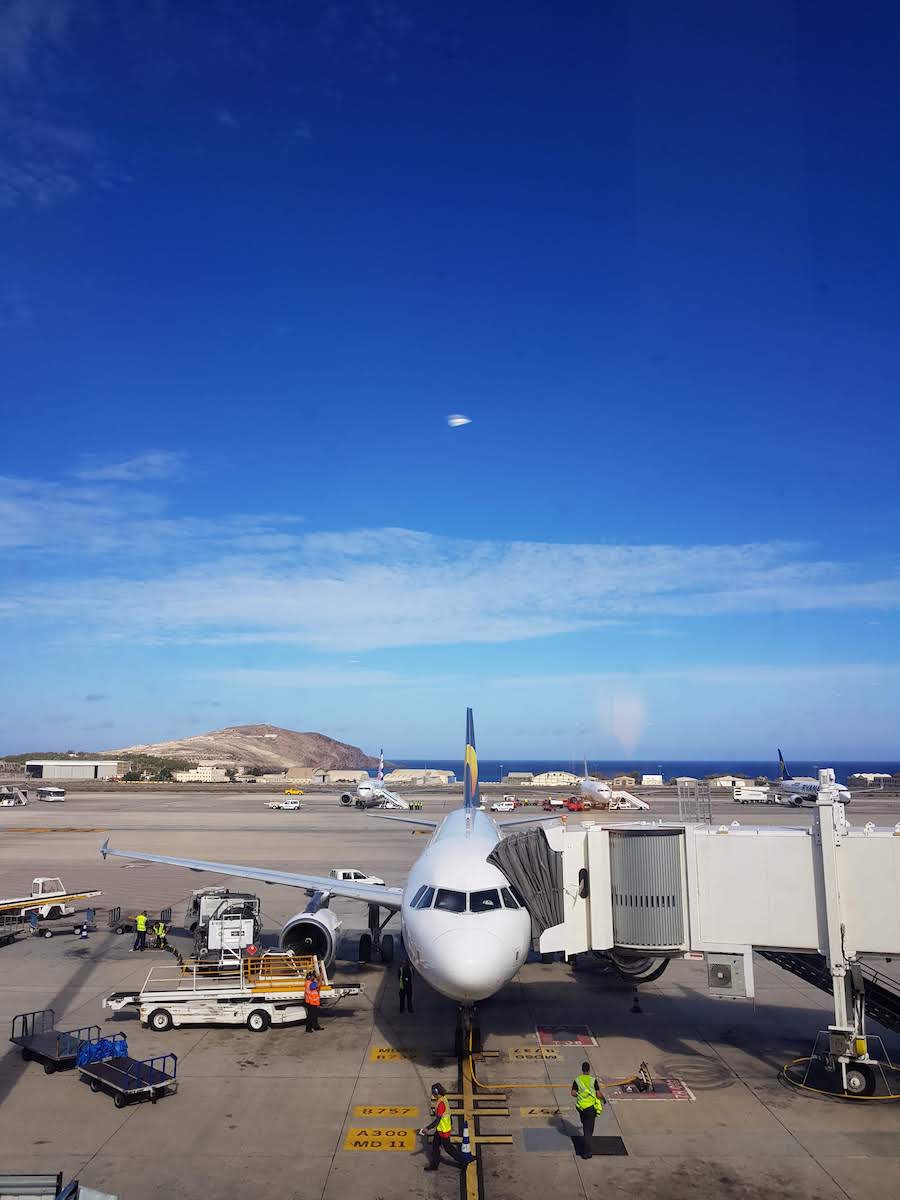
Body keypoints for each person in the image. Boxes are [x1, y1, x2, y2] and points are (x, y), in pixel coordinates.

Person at [419, 1083, 474, 1172]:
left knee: (448, 1149)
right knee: (435, 1146)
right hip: (441, 1129)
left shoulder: (441, 1103)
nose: (432, 1094)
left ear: (436, 1092)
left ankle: (464, 1161)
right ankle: (434, 1165)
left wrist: (427, 1128)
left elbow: (438, 1120)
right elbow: (448, 1113)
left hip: (443, 1130)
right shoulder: (444, 1099)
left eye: (433, 1093)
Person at [571, 1061, 604, 1159]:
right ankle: (586, 1153)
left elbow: (573, 1093)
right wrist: (604, 1099)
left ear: (582, 1069)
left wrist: (580, 1095)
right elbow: (598, 1094)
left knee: (585, 1125)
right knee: (588, 1131)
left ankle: (586, 1146)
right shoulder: (593, 1080)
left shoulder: (577, 1080)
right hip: (590, 1108)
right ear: (589, 1070)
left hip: (581, 1108)